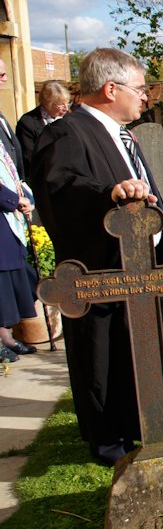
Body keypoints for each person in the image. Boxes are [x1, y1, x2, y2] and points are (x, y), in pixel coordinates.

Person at [29, 48, 163, 466]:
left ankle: (151, 421)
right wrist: (109, 193)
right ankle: (108, 436)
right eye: (139, 90)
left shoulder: (123, 132)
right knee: (106, 353)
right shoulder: (69, 133)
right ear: (110, 89)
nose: (145, 98)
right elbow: (61, 187)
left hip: (141, 261)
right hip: (103, 268)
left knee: (144, 345)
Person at [0, 58, 38, 363]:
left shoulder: (1, 117)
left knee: (12, 277)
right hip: (3, 210)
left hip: (11, 209)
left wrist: (24, 194)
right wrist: (12, 201)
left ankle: (7, 336)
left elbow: (14, 164)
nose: (4, 77)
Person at [16, 80, 70, 177]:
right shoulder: (28, 122)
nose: (66, 108)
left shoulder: (69, 118)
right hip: (42, 177)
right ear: (47, 103)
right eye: (60, 104)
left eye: (67, 103)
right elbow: (29, 158)